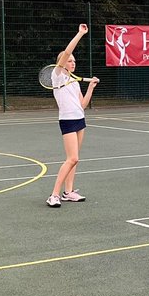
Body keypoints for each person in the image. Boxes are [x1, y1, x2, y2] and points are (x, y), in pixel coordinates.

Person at [47, 24, 100, 207]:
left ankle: (68, 192)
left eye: (74, 61)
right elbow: (68, 51)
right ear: (62, 63)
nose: (72, 62)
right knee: (72, 158)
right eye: (69, 61)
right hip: (67, 121)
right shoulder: (58, 76)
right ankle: (54, 195)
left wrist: (91, 88)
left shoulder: (74, 81)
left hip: (79, 119)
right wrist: (80, 34)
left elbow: (82, 105)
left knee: (75, 159)